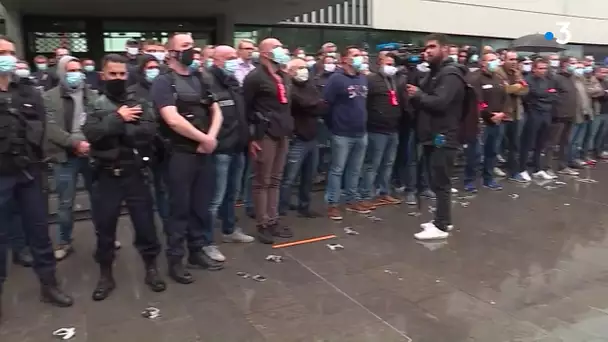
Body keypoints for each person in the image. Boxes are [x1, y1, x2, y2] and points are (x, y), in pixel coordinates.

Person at [0, 35, 73, 322]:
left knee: (40, 232)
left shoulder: (27, 91)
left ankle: (49, 285)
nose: (6, 57)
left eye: (10, 52)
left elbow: (42, 127)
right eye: (1, 52)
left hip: (30, 172)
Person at [82, 53, 165, 301]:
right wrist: (120, 118)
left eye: (121, 74)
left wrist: (116, 132)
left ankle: (151, 268)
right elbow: (92, 134)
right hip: (107, 175)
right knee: (104, 227)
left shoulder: (139, 100)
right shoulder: (96, 103)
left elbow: (148, 131)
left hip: (135, 173)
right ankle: (105, 274)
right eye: (112, 74)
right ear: (103, 76)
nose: (117, 78)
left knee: (146, 225)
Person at [150, 33, 224, 284]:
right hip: (179, 154)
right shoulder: (163, 82)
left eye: (192, 45)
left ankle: (196, 251)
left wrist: (210, 138)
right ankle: (175, 259)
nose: (191, 50)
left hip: (204, 153)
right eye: (185, 46)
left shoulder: (199, 78)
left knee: (200, 207)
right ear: (170, 53)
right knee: (179, 209)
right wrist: (203, 139)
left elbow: (216, 110)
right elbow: (172, 119)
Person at [406, 33, 467, 240]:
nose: (428, 51)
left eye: (432, 46)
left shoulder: (450, 74)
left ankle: (440, 226)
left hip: (443, 136)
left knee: (441, 182)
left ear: (445, 48)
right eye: (426, 48)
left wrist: (419, 95)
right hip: (433, 135)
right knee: (437, 181)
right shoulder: (435, 72)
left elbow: (440, 102)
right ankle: (443, 219)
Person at [43, 55, 102, 260]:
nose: (75, 74)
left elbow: (99, 121)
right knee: (65, 204)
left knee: (99, 199)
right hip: (64, 157)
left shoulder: (93, 95)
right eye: (70, 70)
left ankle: (104, 236)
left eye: (78, 70)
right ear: (61, 72)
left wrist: (88, 143)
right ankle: (64, 240)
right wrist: (74, 143)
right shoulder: (49, 97)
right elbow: (50, 128)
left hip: (91, 154)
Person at [201, 45, 253, 262]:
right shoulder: (207, 82)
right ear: (217, 60)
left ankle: (230, 230)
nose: (234, 61)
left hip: (237, 148)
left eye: (235, 57)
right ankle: (206, 241)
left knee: (233, 194)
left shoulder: (233, 82)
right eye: (229, 57)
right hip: (221, 149)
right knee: (214, 198)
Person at [243, 37, 294, 244]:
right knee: (262, 181)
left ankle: (273, 220)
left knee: (275, 179)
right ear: (264, 54)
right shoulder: (254, 78)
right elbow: (245, 109)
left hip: (282, 132)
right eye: (276, 47)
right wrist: (251, 137)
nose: (281, 50)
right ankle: (262, 223)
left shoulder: (283, 76)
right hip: (264, 134)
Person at [324, 45, 369, 220]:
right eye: (355, 55)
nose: (360, 58)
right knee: (337, 169)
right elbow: (326, 104)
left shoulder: (363, 78)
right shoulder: (336, 79)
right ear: (345, 59)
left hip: (361, 132)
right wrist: (334, 125)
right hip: (341, 133)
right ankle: (332, 203)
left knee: (355, 169)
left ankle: (352, 199)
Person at [279, 58, 326, 218]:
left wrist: (313, 104)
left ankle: (304, 206)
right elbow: (302, 103)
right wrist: (313, 104)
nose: (304, 70)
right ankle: (281, 208)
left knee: (308, 176)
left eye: (305, 67)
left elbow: (321, 105)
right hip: (297, 137)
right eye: (299, 67)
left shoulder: (310, 85)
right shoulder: (289, 87)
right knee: (289, 177)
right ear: (291, 71)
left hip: (312, 136)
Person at [359, 53, 406, 206]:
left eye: (393, 64)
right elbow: (365, 102)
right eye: (388, 63)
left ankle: (383, 192)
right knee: (373, 164)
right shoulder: (371, 79)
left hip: (393, 128)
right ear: (379, 63)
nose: (391, 66)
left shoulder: (394, 80)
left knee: (388, 163)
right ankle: (366, 194)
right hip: (376, 129)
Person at [465, 52, 508, 192]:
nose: (495, 62)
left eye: (496, 60)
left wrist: (502, 113)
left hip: (497, 121)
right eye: (491, 60)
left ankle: (488, 179)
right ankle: (469, 180)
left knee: (492, 151)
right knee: (475, 153)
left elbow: (505, 98)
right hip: (480, 122)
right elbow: (477, 101)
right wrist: (489, 115)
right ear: (483, 62)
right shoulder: (475, 78)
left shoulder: (499, 78)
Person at [520, 58, 558, 180]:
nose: (543, 71)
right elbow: (533, 94)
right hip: (533, 113)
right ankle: (522, 168)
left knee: (541, 143)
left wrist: (545, 95)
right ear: (534, 69)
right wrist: (545, 94)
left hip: (546, 113)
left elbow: (554, 95)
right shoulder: (528, 79)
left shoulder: (548, 80)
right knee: (528, 142)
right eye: (540, 68)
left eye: (545, 68)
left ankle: (538, 168)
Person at [495, 50, 529, 182]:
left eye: (515, 59)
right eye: (511, 59)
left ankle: (514, 172)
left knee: (515, 145)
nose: (514, 62)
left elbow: (526, 90)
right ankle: (492, 169)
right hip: (503, 113)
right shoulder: (498, 72)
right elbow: (505, 90)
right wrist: (517, 87)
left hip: (516, 113)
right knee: (496, 144)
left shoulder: (517, 72)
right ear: (504, 60)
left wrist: (516, 86)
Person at [550, 56, 579, 176]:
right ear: (564, 64)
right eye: (572, 63)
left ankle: (563, 166)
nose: (575, 65)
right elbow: (552, 95)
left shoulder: (571, 78)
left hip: (570, 115)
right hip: (559, 116)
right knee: (552, 143)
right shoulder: (556, 78)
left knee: (565, 142)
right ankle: (547, 167)